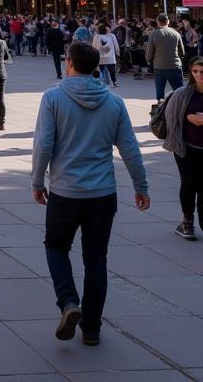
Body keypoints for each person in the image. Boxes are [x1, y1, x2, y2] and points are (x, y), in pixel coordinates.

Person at [31, 41, 149, 346]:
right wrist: (141, 186)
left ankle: (69, 302)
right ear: (96, 66)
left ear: (68, 62)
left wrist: (37, 181)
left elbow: (44, 144)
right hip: (102, 193)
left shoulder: (53, 98)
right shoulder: (114, 102)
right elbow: (131, 150)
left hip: (66, 192)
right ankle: (92, 328)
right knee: (96, 258)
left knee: (56, 247)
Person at [162, 56, 203, 240]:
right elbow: (171, 121)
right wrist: (188, 118)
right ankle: (187, 222)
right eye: (195, 72)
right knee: (189, 184)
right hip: (187, 148)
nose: (199, 76)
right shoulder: (182, 93)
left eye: (202, 72)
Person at [146, 14, 186, 101]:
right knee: (179, 91)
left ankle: (160, 109)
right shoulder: (176, 34)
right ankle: (182, 108)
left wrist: (149, 61)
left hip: (159, 66)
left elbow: (149, 51)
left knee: (160, 92)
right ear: (168, 22)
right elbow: (182, 52)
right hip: (175, 65)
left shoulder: (154, 34)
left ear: (157, 22)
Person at [93, 21, 119, 87]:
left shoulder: (97, 37)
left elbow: (93, 47)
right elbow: (116, 45)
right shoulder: (112, 36)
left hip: (100, 56)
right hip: (110, 56)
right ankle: (114, 82)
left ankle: (100, 82)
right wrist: (117, 52)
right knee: (112, 70)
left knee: (100, 70)